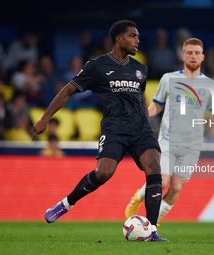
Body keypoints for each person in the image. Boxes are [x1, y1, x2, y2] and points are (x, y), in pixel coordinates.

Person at [32, 20, 168, 242]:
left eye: (138, 36)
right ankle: (65, 204)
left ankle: (152, 230)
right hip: (114, 128)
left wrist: (147, 124)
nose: (137, 40)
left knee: (154, 167)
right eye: (133, 36)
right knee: (104, 172)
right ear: (119, 39)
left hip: (140, 129)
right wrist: (45, 118)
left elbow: (141, 97)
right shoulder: (97, 66)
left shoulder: (140, 69)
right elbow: (67, 91)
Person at [125, 38, 214, 223]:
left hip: (192, 145)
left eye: (197, 53)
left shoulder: (210, 85)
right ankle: (138, 198)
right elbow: (157, 106)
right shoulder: (169, 79)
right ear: (183, 56)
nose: (193, 56)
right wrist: (141, 120)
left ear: (203, 57)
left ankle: (151, 223)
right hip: (168, 141)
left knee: (176, 187)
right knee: (163, 182)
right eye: (189, 52)